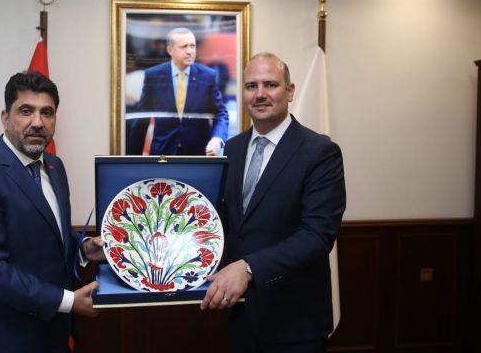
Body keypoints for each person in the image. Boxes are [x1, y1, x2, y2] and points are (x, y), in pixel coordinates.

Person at [200, 53, 346, 353]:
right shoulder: (233, 149)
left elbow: (317, 236)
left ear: (289, 91)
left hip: (295, 321)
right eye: (251, 86)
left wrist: (249, 267)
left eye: (270, 84)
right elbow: (222, 218)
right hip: (241, 315)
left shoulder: (320, 152)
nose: (260, 94)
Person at [0, 71, 105, 352]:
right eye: (26, 111)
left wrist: (84, 248)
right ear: (5, 117)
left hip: (54, 333)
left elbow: (49, 235)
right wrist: (69, 301)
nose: (37, 122)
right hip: (8, 338)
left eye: (47, 112)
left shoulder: (55, 167)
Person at [127, 27, 229, 155]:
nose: (190, 51)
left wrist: (217, 138)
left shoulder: (207, 76)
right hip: (163, 153)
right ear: (170, 50)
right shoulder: (154, 75)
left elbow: (220, 113)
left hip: (198, 153)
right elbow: (142, 119)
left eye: (192, 46)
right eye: (184, 47)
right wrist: (134, 158)